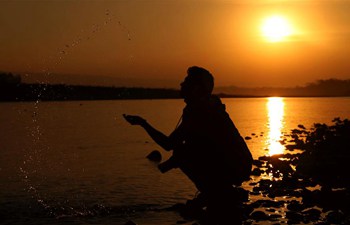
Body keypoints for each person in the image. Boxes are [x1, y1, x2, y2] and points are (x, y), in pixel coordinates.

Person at [123, 66, 253, 224]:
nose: (181, 84)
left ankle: (214, 193)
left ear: (197, 88)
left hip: (235, 166)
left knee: (182, 152)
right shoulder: (203, 107)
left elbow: (169, 144)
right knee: (184, 150)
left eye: (186, 82)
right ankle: (217, 192)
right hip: (237, 164)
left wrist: (143, 124)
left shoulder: (201, 111)